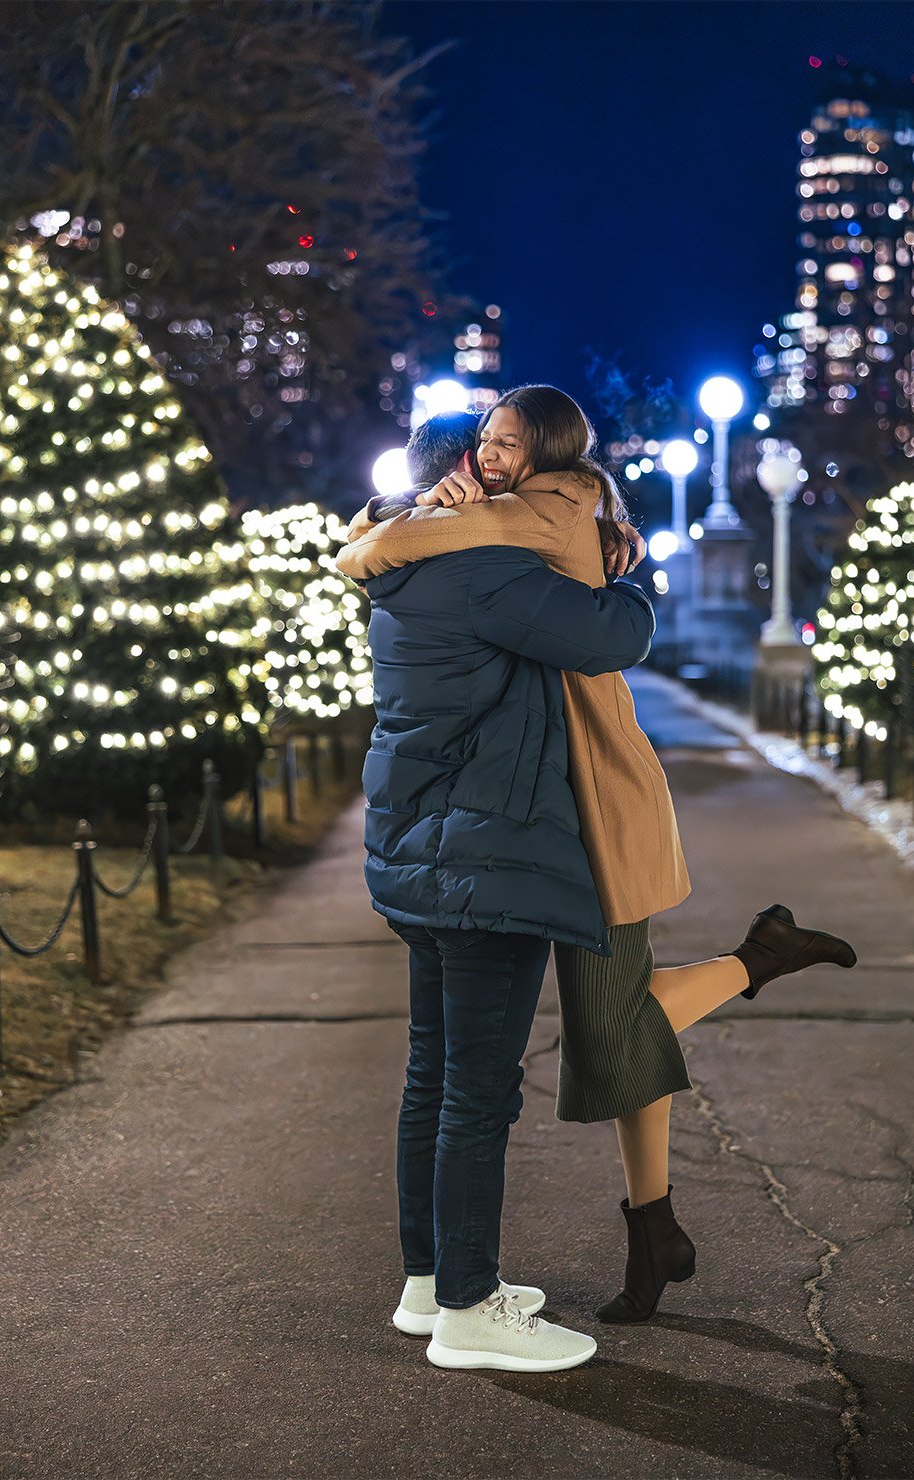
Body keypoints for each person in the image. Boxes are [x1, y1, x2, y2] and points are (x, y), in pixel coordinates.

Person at [337, 386, 856, 1332]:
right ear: (459, 484)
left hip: (449, 845)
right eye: (484, 455)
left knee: (450, 1073)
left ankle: (438, 1285)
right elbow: (617, 634)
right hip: (505, 850)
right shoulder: (486, 569)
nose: (494, 471)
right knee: (485, 1085)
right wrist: (631, 573)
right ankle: (469, 1303)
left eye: (508, 453)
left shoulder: (402, 569)